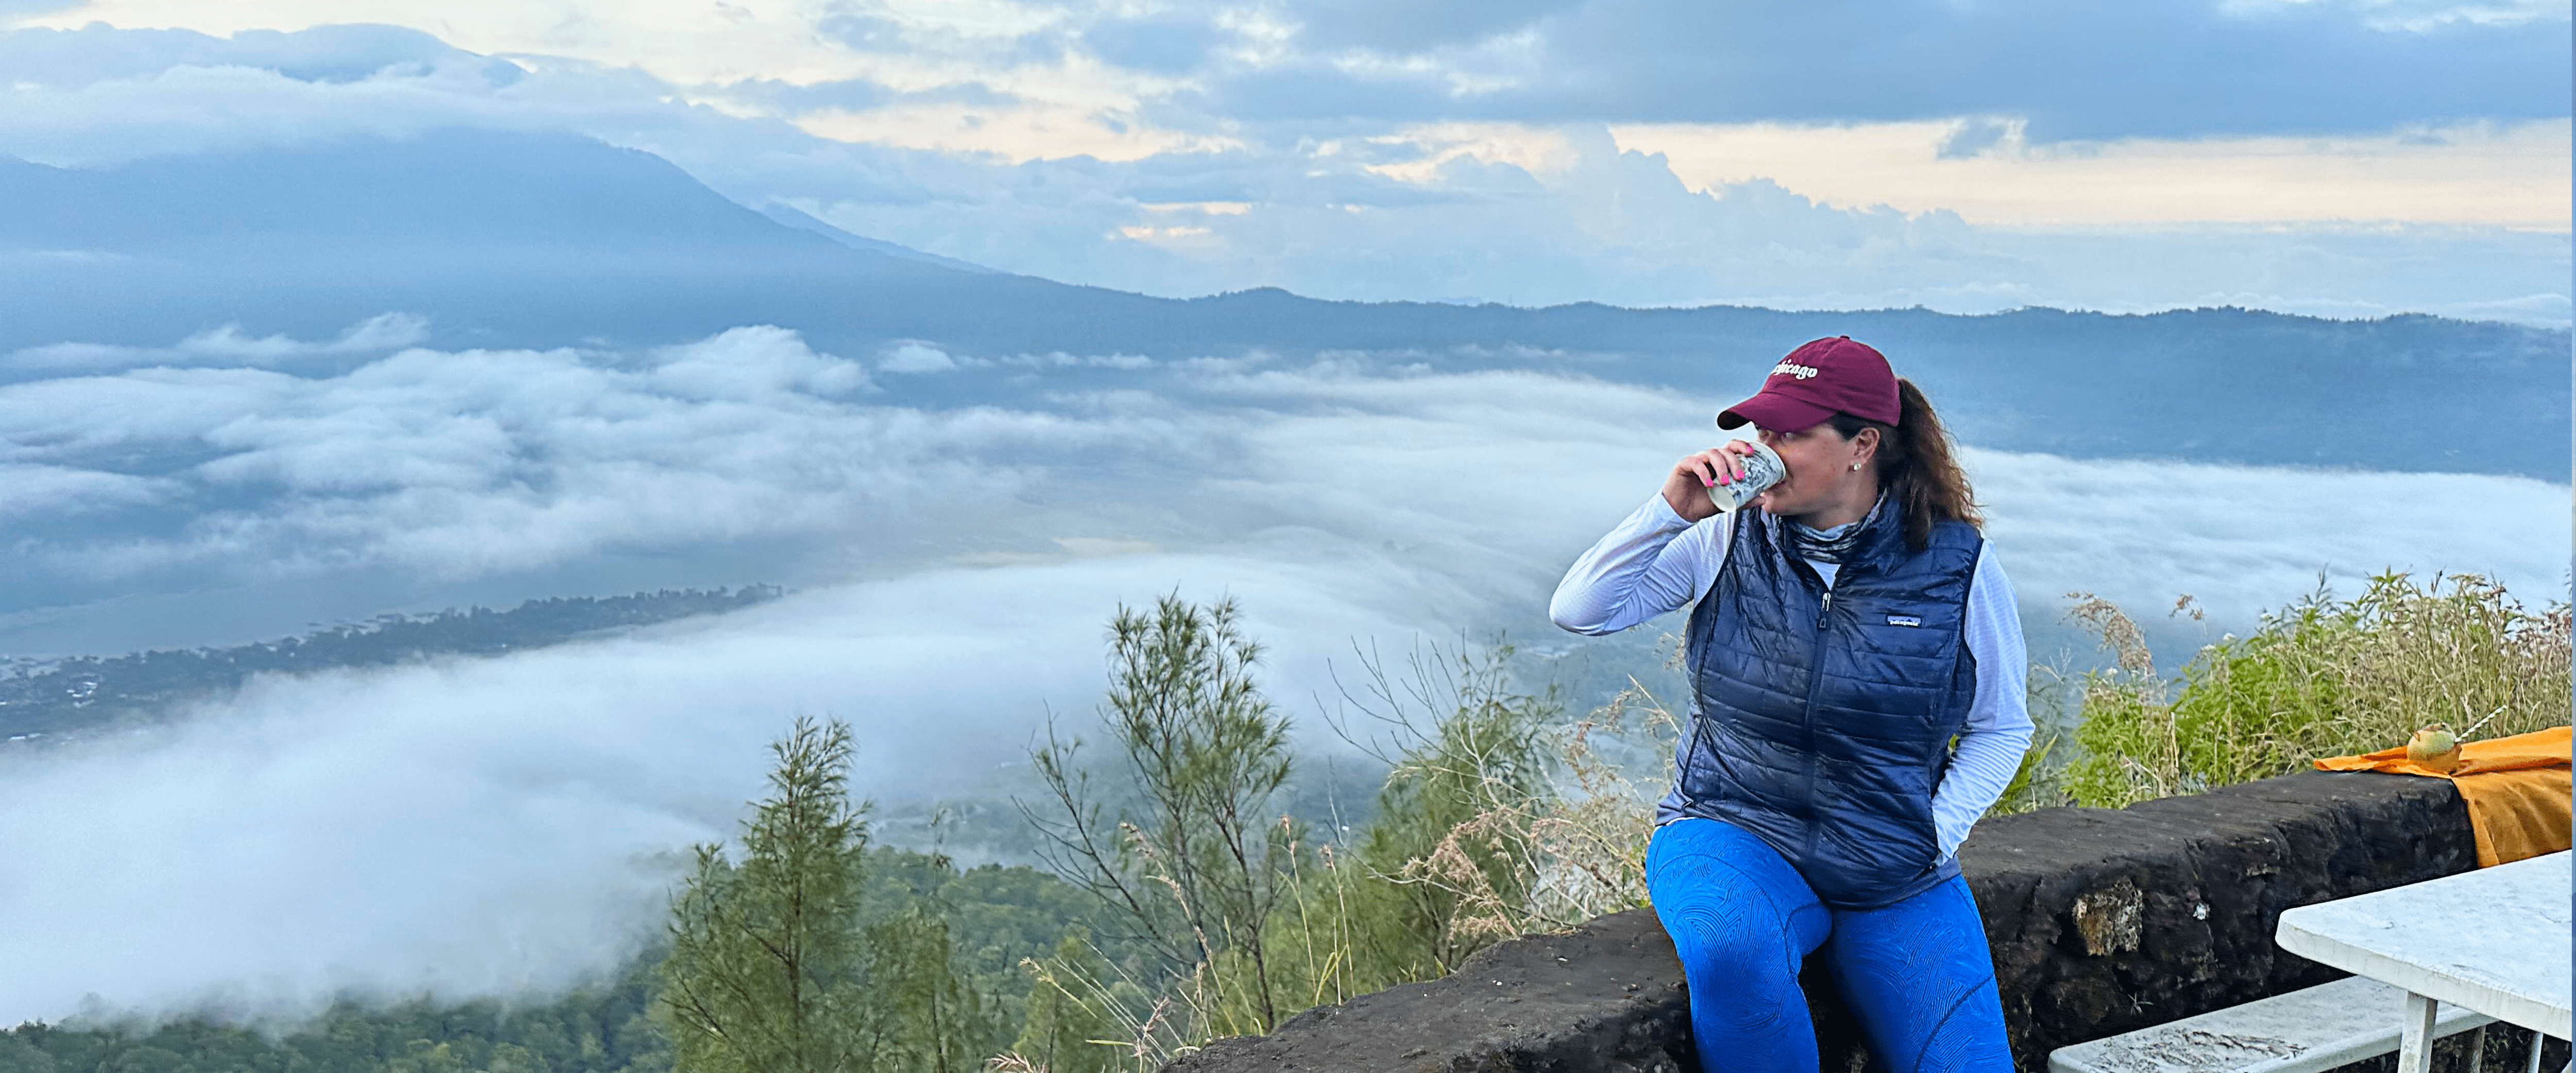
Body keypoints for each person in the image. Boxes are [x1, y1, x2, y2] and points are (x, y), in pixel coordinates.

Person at [1548, 336, 2030, 1072]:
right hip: (1731, 826)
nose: (1760, 450)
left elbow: (2001, 726)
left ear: (1861, 445)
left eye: (1788, 434)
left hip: (1890, 860)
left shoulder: (1958, 566)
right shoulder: (1723, 536)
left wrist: (1931, 831)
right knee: (1729, 948)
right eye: (1759, 430)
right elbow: (1581, 609)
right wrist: (1671, 509)